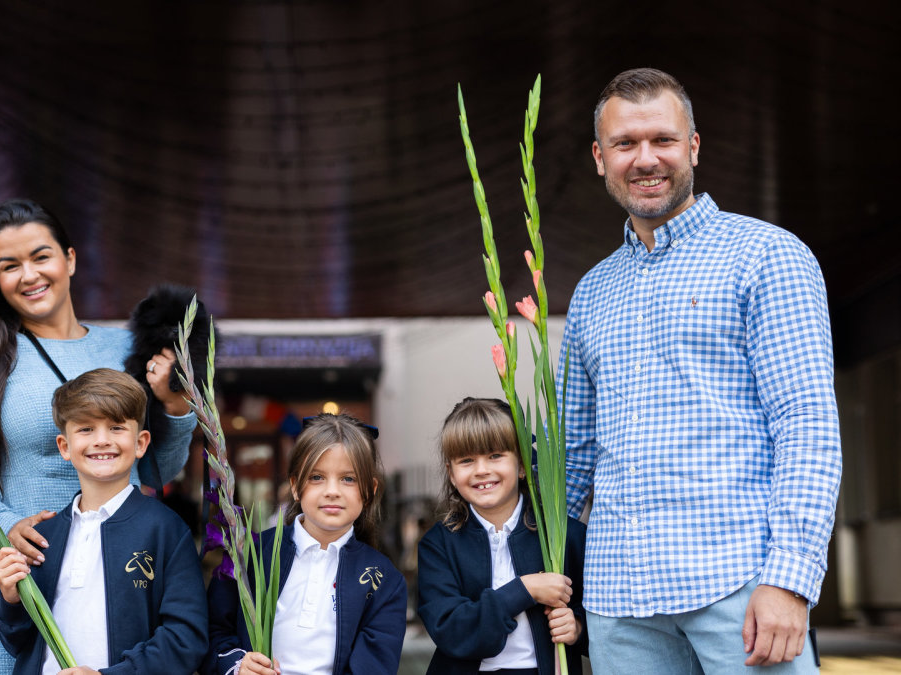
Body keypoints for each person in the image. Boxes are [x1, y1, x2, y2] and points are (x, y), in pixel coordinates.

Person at [560, 68, 841, 672]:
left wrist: (790, 580)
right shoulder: (591, 292)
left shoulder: (767, 256)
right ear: (599, 157)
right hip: (620, 603)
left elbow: (806, 424)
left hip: (739, 591)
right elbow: (572, 456)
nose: (645, 159)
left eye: (662, 139)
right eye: (625, 143)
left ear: (692, 145)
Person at [0, 199, 197, 674]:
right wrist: (5, 525)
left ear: (69, 259)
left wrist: (175, 407)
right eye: (9, 266)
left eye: (41, 256)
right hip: (15, 570)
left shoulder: (127, 348)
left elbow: (155, 467)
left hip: (114, 577)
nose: (29, 275)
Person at [0, 368, 207, 675]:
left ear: (141, 443)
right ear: (64, 447)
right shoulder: (41, 537)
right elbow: (17, 641)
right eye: (86, 429)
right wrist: (10, 599)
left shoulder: (166, 530)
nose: (102, 440)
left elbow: (185, 640)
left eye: (117, 427)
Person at [203, 413, 407, 675]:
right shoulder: (250, 554)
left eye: (349, 479)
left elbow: (375, 665)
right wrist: (237, 665)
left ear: (370, 490)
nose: (332, 490)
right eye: (317, 477)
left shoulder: (384, 579)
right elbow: (213, 631)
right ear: (296, 486)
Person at [418, 397, 587, 675]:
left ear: (522, 465)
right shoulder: (438, 545)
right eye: (467, 460)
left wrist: (577, 628)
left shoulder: (565, 536)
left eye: (495, 455)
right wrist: (524, 590)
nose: (482, 469)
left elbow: (603, 618)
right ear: (451, 473)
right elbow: (452, 630)